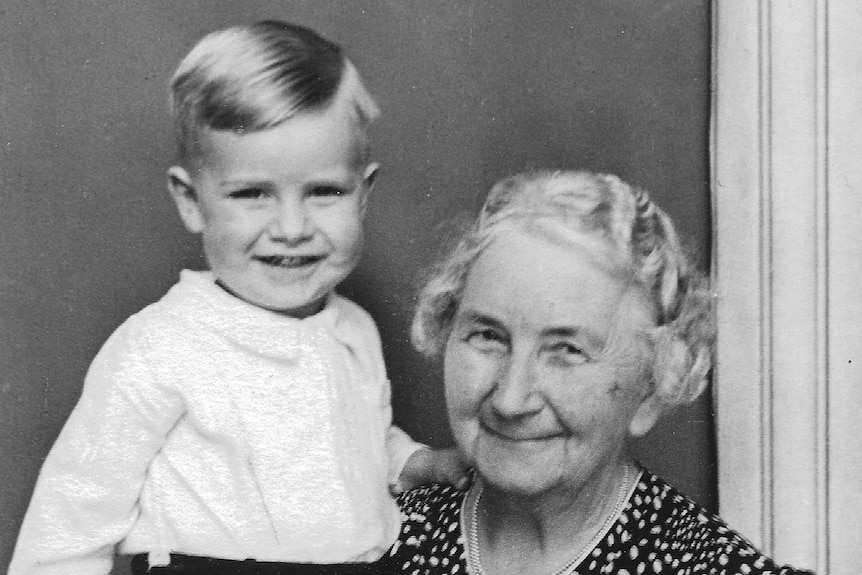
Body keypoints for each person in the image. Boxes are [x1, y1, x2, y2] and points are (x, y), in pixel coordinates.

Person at [8, 21, 466, 575]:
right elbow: (69, 522)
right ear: (192, 201)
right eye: (253, 194)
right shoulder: (160, 348)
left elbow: (356, 436)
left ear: (363, 195)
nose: (292, 227)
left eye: (325, 192)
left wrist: (408, 461)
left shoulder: (354, 329)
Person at [384, 170, 815, 574]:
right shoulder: (377, 535)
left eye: (567, 350)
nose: (510, 400)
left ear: (652, 388)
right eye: (488, 336)